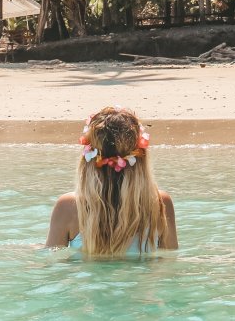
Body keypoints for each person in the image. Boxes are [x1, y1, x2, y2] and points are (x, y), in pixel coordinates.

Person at [45, 106, 178, 256]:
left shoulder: (69, 206)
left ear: (88, 157)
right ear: (141, 159)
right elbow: (169, 259)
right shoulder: (159, 203)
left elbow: (52, 260)